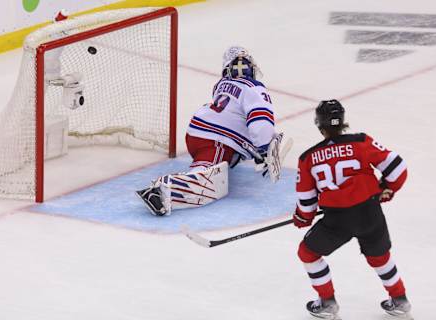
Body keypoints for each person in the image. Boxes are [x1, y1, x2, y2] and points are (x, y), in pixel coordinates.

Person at [293, 99, 411, 319]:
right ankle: (400, 299)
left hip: (338, 221)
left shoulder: (308, 158)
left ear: (319, 124)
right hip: (370, 213)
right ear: (343, 122)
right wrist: (386, 188)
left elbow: (307, 203)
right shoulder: (361, 142)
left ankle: (327, 303)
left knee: (308, 253)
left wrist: (302, 218)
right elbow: (397, 168)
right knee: (380, 256)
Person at [136, 46, 282, 216]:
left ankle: (223, 159)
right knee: (210, 183)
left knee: (224, 163)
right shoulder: (255, 88)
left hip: (198, 134)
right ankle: (161, 191)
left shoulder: (220, 85)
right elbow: (260, 121)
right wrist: (264, 147)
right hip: (216, 141)